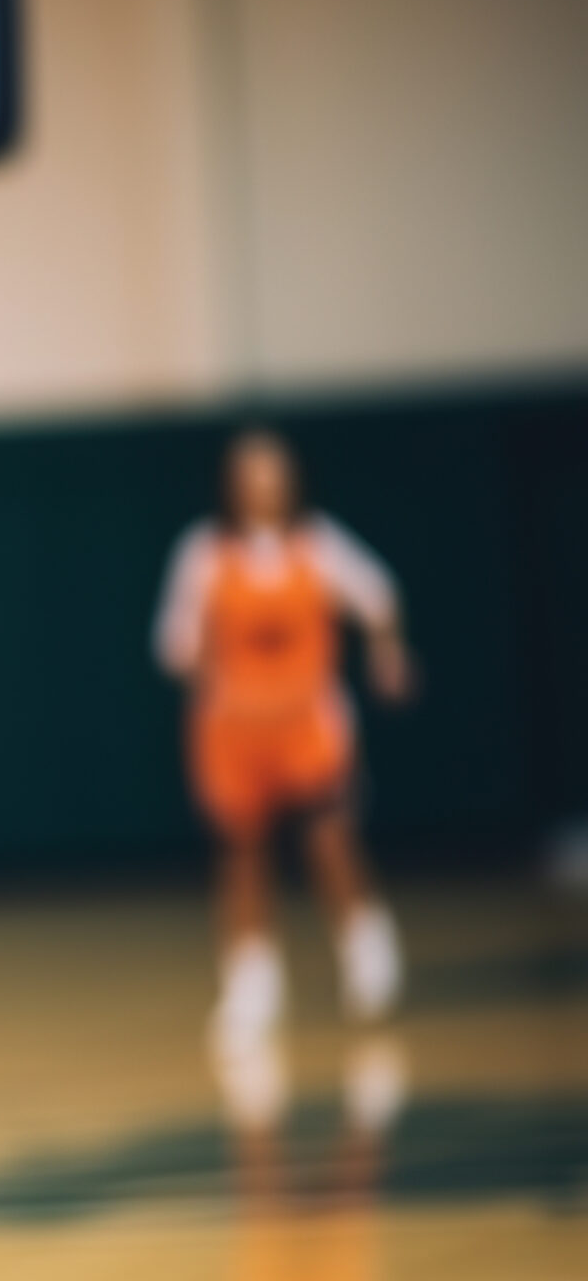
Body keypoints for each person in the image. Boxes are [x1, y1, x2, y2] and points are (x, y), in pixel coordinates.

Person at [155, 427, 412, 1048]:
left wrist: (387, 652)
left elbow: (378, 597)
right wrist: (196, 663)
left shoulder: (318, 546)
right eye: (251, 473)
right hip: (233, 729)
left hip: (308, 724)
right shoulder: (205, 553)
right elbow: (174, 642)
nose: (263, 485)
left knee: (329, 839)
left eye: (273, 472)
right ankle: (251, 984)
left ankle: (367, 954)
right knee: (242, 853)